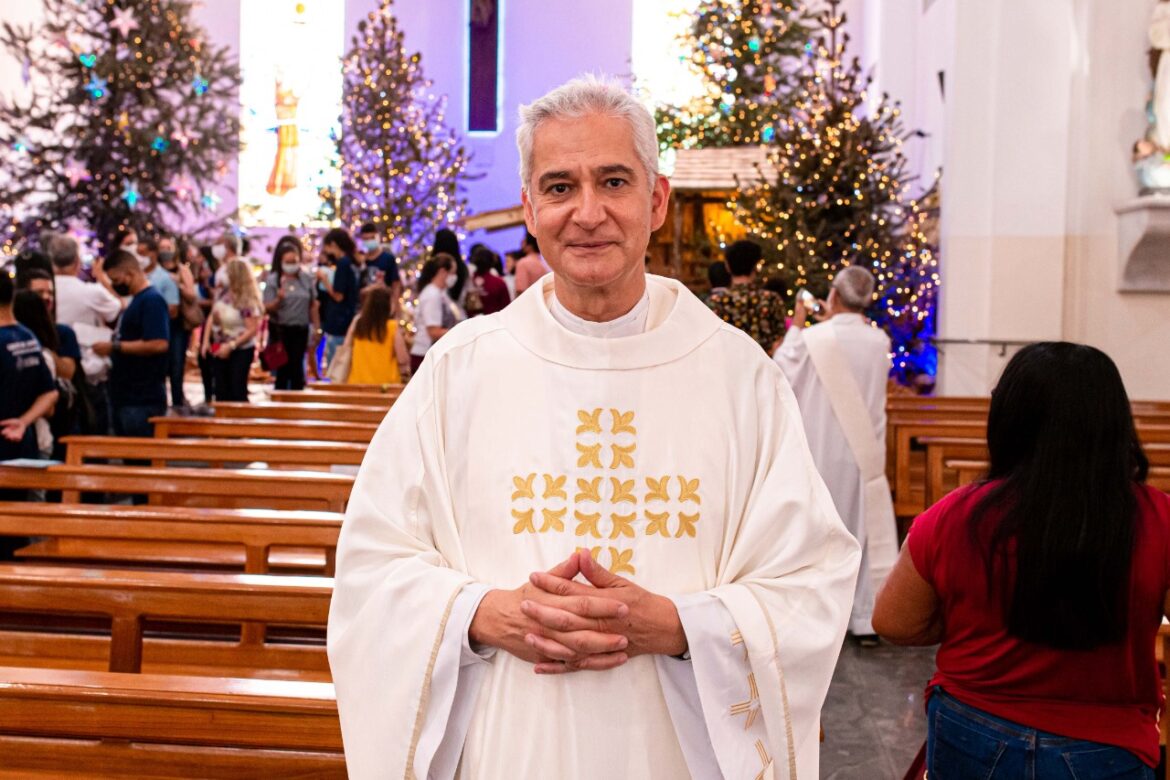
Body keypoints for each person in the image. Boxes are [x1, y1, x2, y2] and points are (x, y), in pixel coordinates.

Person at [328, 75, 860, 779]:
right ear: (529, 207)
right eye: (558, 187)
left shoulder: (739, 376)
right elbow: (370, 568)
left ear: (657, 199)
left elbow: (810, 579)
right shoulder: (460, 370)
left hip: (678, 750)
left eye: (613, 181)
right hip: (508, 744)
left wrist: (679, 626)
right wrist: (483, 613)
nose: (587, 213)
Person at [874, 343, 1167, 778]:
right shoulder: (1158, 519)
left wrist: (964, 615)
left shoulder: (956, 515)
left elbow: (894, 622)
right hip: (1105, 741)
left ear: (1009, 419)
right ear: (1114, 422)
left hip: (975, 725)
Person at [773, 266, 896, 643]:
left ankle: (819, 615)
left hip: (822, 448)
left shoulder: (814, 337)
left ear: (834, 295)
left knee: (820, 535)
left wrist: (799, 321)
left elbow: (780, 370)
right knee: (859, 532)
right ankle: (861, 618)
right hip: (864, 452)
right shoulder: (880, 341)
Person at [0, 271, 57, 533]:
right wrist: (24, 422)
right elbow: (50, 392)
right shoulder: (27, 337)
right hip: (23, 447)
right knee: (16, 530)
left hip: (5, 449)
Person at [91, 250, 169, 438]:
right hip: (127, 394)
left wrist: (116, 347)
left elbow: (159, 343)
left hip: (142, 397)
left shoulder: (152, 301)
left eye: (117, 281)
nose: (116, 285)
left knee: (139, 457)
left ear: (130, 273)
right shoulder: (137, 300)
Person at [49, 233, 121, 434]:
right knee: (93, 432)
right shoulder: (90, 292)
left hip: (53, 368)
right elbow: (119, 307)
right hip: (87, 370)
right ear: (76, 262)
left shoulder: (44, 290)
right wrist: (103, 280)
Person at [706, 239, 787, 353]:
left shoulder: (715, 302)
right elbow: (780, 341)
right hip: (765, 368)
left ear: (728, 266)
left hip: (728, 367)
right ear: (755, 266)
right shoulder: (771, 299)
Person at [201, 258, 262, 403]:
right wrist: (205, 341)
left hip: (240, 349)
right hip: (219, 346)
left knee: (236, 390)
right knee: (221, 391)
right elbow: (211, 316)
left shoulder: (246, 300)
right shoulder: (222, 294)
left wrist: (232, 345)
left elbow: (252, 328)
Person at [263, 238, 317, 390]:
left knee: (297, 366)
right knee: (282, 369)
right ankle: (280, 401)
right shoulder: (274, 280)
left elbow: (313, 304)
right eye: (288, 261)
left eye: (294, 261)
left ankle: (297, 399)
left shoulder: (306, 279)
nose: (291, 264)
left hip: (300, 328)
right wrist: (278, 299)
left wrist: (316, 328)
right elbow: (266, 307)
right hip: (281, 329)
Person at [345, 286, 409, 385]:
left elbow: (346, 347)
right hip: (386, 385)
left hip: (357, 383)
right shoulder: (392, 327)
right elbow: (402, 359)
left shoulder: (358, 323)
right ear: (386, 305)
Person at [316, 228, 359, 373]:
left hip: (339, 321)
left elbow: (338, 295)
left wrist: (324, 280)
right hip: (346, 319)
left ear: (333, 244)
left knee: (335, 366)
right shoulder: (351, 262)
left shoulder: (343, 264)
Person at [407, 253, 458, 375]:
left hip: (433, 353)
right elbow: (433, 331)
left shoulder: (441, 293)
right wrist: (461, 331)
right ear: (442, 272)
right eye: (452, 272)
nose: (454, 277)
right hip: (424, 354)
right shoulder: (432, 295)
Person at [469, 244, 511, 315]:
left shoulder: (469, 281)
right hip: (495, 322)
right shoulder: (499, 282)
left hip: (473, 323)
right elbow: (507, 307)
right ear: (492, 261)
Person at [513, 230, 548, 295]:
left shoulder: (523, 263)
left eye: (524, 241)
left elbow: (521, 291)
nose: (521, 243)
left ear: (529, 246)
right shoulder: (544, 261)